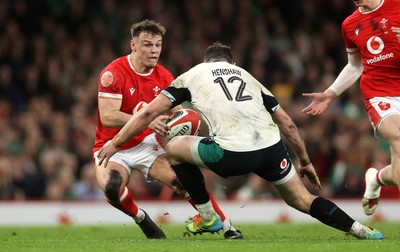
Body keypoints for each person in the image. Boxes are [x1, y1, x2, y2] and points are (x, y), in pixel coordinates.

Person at [97, 42, 384, 240]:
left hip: (232, 153)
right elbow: (287, 122)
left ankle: (208, 216)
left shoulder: (194, 74)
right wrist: (305, 161)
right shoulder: (249, 76)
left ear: (207, 61)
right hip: (271, 148)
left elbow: (148, 112)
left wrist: (117, 141)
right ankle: (360, 229)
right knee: (303, 199)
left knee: (173, 149)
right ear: (231, 62)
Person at [93, 20, 242, 239]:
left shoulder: (164, 76)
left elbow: (179, 114)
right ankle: (141, 219)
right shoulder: (113, 73)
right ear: (133, 46)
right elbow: (108, 116)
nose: (154, 50)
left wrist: (182, 125)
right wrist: (146, 120)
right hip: (114, 147)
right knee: (113, 189)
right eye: (147, 45)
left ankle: (227, 227)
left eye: (157, 45)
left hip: (149, 146)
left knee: (185, 182)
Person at [302, 0, 400, 216]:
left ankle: (377, 178)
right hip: (379, 94)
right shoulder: (350, 23)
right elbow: (355, 65)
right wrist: (330, 94)